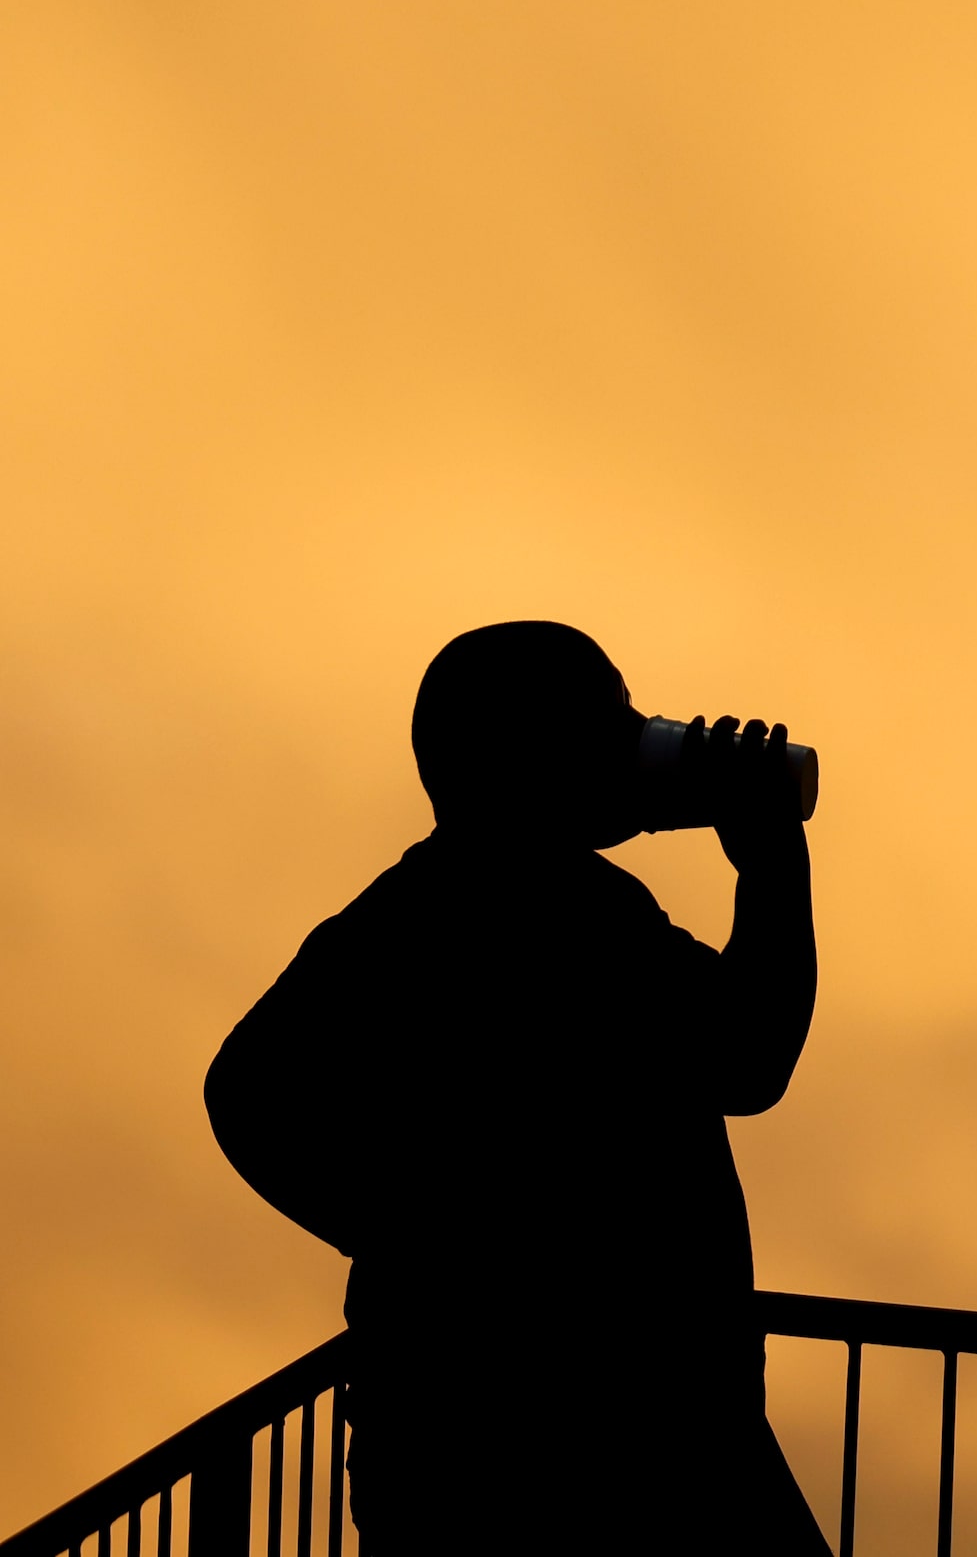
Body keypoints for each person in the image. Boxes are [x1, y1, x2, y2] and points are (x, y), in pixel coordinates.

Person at [206, 621, 828, 1552]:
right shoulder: (547, 914)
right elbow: (749, 1055)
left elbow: (242, 1092)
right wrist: (774, 867)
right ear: (531, 751)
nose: (632, 741)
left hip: (492, 1438)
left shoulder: (440, 912)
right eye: (605, 719)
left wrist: (416, 1240)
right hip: (620, 1442)